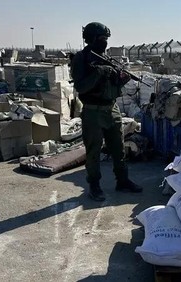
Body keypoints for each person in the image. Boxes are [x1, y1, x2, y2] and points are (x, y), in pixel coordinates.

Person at [71, 22, 142, 201]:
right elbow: (81, 86)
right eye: (102, 39)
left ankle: (123, 180)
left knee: (118, 148)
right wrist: (99, 72)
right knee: (94, 151)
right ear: (92, 38)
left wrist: (121, 78)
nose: (105, 42)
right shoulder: (82, 58)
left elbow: (113, 85)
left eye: (106, 39)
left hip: (112, 108)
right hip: (93, 111)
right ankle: (94, 186)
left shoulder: (105, 58)